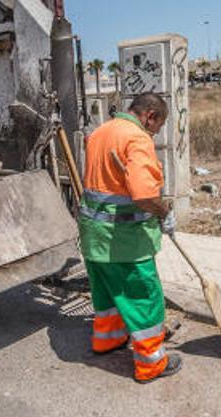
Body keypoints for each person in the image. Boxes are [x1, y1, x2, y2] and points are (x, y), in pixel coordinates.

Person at [78, 92, 181, 384]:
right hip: (125, 240)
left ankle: (107, 340)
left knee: (107, 293)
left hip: (94, 236)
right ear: (149, 115)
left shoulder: (101, 132)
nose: (156, 132)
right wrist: (164, 211)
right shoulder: (136, 138)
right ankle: (151, 365)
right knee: (143, 296)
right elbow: (145, 194)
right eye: (158, 125)